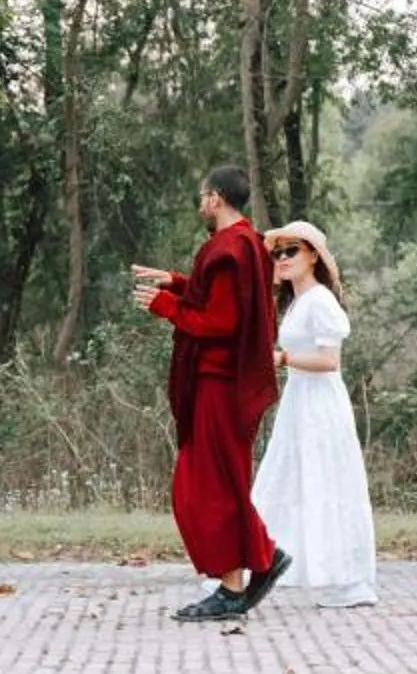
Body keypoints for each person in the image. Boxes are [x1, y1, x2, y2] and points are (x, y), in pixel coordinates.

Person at [132, 163, 290, 623]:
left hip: (220, 383)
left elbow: (221, 322)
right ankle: (260, 559)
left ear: (216, 198)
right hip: (225, 384)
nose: (201, 204)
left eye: (203, 197)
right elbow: (221, 300)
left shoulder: (230, 248)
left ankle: (233, 585)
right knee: (218, 483)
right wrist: (177, 282)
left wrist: (166, 307)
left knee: (205, 488)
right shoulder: (247, 244)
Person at [253, 220, 378, 607]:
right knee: (289, 479)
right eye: (278, 252)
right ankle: (259, 564)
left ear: (312, 256)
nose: (284, 258)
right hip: (299, 400)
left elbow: (329, 360)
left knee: (329, 483)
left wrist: (283, 358)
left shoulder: (321, 300)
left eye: (292, 250)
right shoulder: (297, 303)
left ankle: (352, 580)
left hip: (320, 403)